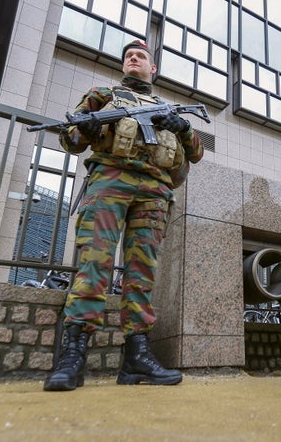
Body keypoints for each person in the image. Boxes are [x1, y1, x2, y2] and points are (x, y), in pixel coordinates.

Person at [44, 40, 205, 391]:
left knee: (142, 271)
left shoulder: (168, 108)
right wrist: (84, 128)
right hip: (110, 178)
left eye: (141, 56)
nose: (133, 58)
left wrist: (181, 127)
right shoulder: (103, 94)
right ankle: (73, 356)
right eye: (128, 55)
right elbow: (69, 139)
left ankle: (137, 357)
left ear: (153, 69)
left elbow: (196, 154)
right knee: (95, 262)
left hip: (156, 191)